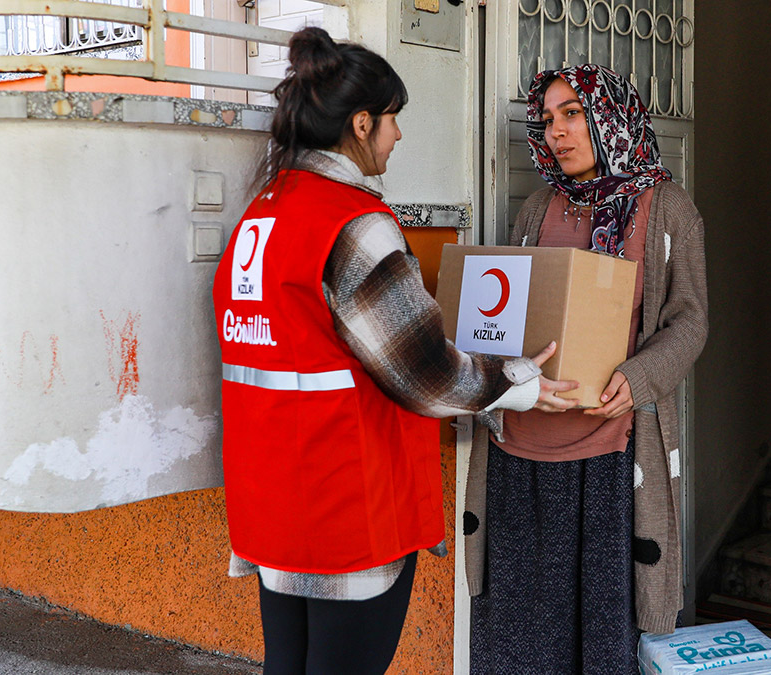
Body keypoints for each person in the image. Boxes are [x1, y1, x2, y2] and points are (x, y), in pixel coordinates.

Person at [211, 27, 576, 675]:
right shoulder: (355, 224)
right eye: (392, 120)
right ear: (360, 123)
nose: (398, 136)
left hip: (274, 504)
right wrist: (520, 381)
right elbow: (426, 375)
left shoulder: (262, 214)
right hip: (347, 505)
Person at [464, 64, 708, 673]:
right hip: (520, 453)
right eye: (547, 119)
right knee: (517, 644)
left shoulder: (668, 209)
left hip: (608, 457)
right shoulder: (538, 207)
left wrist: (642, 377)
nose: (557, 132)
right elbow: (505, 318)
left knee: (599, 646)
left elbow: (690, 322)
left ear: (610, 114)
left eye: (572, 112)